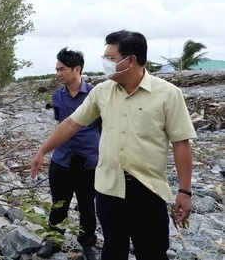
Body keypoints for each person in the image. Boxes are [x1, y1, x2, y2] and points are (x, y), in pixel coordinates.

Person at [31, 30, 196, 260]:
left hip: (148, 189)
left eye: (111, 58)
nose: (105, 63)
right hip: (109, 189)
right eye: (104, 57)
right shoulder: (102, 92)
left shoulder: (168, 94)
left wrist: (184, 191)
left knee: (151, 252)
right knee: (113, 249)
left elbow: (181, 143)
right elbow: (71, 124)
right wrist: (43, 150)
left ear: (132, 60)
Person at [36, 48, 101, 260]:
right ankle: (54, 239)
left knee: (87, 205)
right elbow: (60, 126)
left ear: (77, 69)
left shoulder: (95, 94)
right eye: (56, 69)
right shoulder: (57, 96)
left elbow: (103, 126)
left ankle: (88, 243)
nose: (58, 73)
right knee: (58, 203)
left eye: (62, 69)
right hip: (62, 160)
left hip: (88, 161)